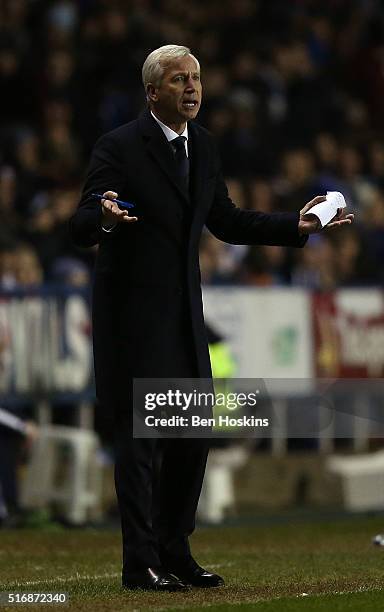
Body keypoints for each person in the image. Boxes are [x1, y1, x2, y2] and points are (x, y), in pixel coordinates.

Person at [70, 44, 353, 592]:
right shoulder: (120, 147)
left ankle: (176, 550)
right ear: (153, 92)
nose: (192, 88)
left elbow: (224, 219)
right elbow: (82, 222)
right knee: (140, 443)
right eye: (179, 80)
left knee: (192, 435)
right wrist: (103, 219)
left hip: (184, 317)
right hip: (132, 318)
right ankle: (140, 562)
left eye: (196, 78)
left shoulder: (202, 145)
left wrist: (295, 226)